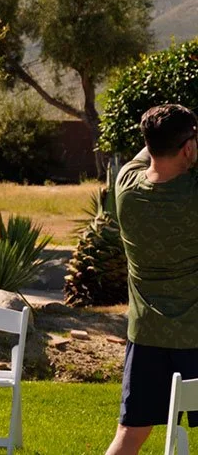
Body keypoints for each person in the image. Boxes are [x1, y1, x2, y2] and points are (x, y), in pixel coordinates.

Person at [105, 104, 198, 455]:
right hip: (195, 336)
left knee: (129, 436)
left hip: (147, 338)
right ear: (188, 147)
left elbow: (150, 149)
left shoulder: (126, 187)